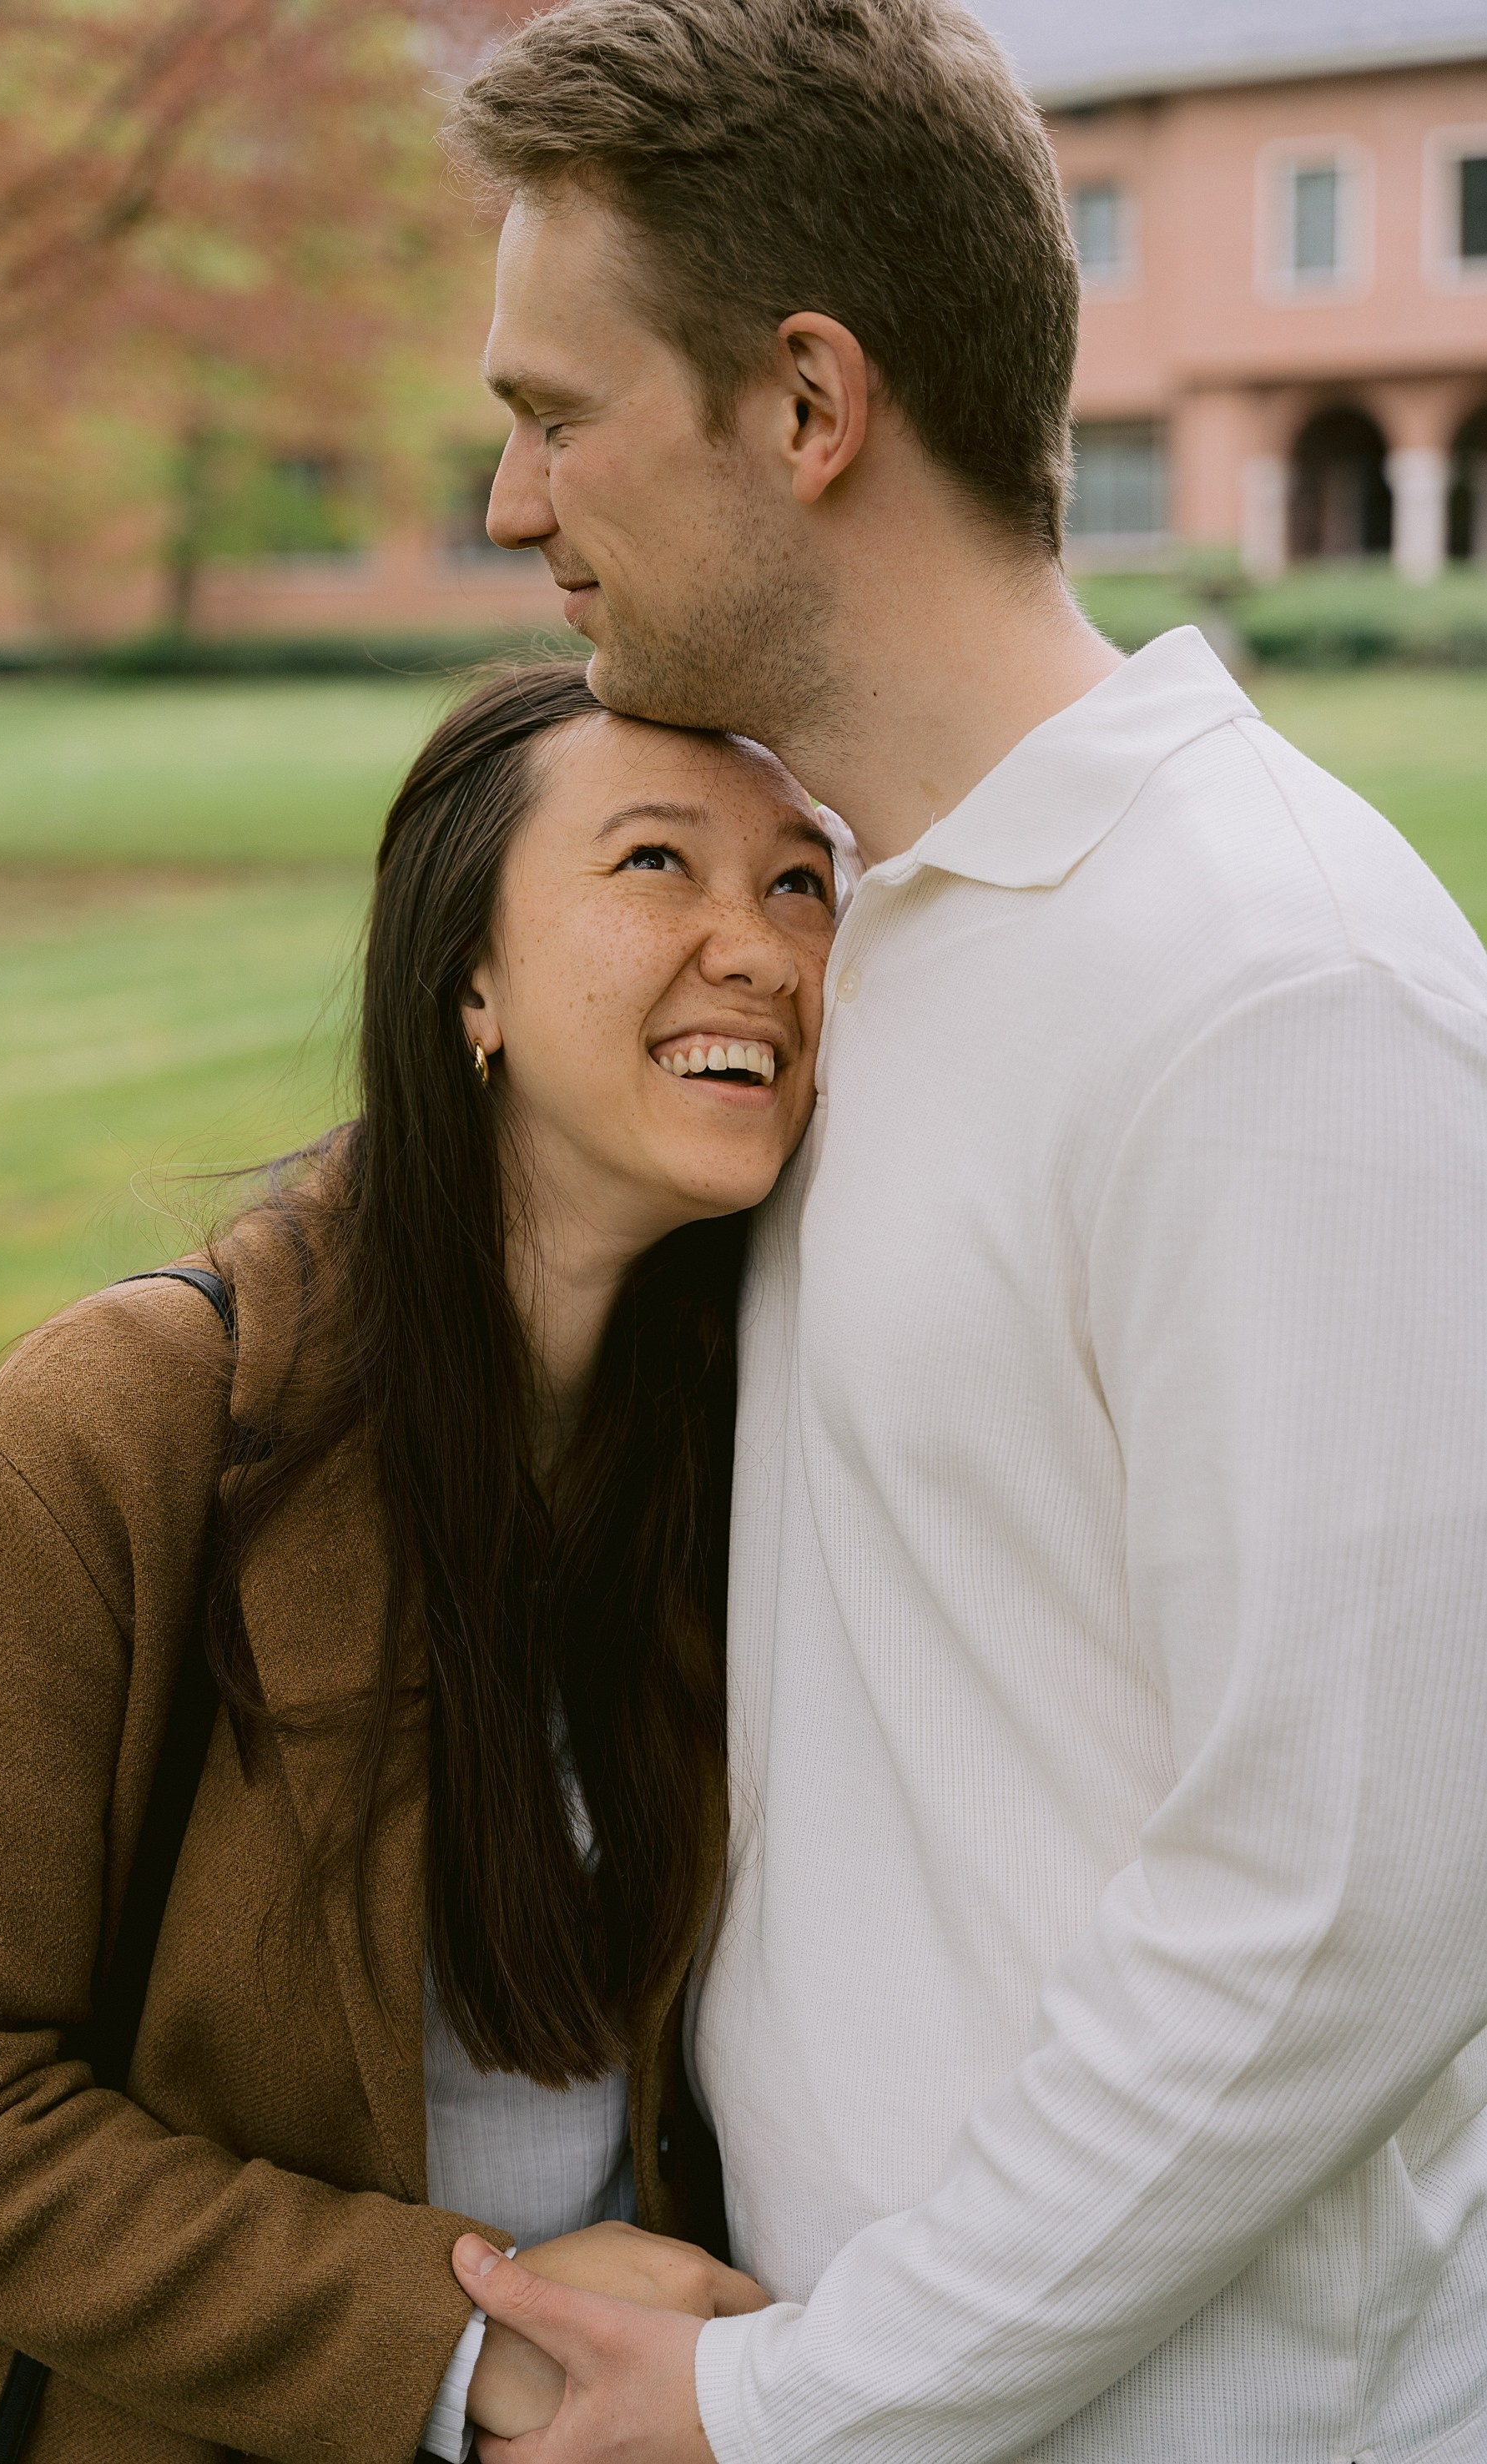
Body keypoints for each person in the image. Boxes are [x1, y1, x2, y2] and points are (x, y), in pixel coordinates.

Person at [437, 6, 1487, 2462]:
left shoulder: (1273, 986)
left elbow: (1339, 1908)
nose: (509, 502)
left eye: (558, 414)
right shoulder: (853, 945)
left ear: (808, 406)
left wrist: (795, 2396)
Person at [0, 663, 845, 2461]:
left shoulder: (755, 1448)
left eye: (800, 882)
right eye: (653, 865)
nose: (760, 947)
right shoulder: (113, 1436)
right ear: (468, 978)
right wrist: (469, 2349)